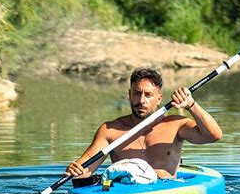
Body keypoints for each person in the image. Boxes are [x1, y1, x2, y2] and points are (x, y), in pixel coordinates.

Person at [65, 68, 222, 179]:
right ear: (129, 95)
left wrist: (191, 105)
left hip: (165, 193)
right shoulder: (110, 130)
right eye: (136, 93)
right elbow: (85, 169)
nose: (141, 101)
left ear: (159, 99)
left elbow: (214, 135)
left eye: (148, 95)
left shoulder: (176, 125)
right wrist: (76, 170)